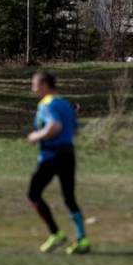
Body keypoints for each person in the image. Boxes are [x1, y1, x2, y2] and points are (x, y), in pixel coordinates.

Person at [27, 71, 90, 254]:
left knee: (33, 193)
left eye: (35, 84)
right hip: (68, 154)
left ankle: (56, 233)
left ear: (45, 85)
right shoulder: (65, 103)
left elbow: (54, 126)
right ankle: (82, 240)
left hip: (51, 156)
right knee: (69, 198)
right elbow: (75, 131)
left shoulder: (47, 104)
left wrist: (36, 136)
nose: (33, 88)